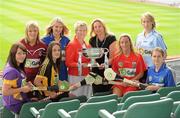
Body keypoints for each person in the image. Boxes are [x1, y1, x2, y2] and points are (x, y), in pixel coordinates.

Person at [2, 43, 32, 117]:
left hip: (19, 100)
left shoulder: (17, 65)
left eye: (24, 53)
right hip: (15, 104)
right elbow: (5, 92)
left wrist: (26, 84)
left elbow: (17, 83)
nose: (22, 56)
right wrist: (22, 89)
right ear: (13, 54)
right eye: (19, 53)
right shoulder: (11, 71)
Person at [89, 18, 117, 94]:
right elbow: (93, 58)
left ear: (103, 27)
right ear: (93, 29)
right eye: (95, 27)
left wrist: (105, 64)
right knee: (97, 93)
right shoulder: (92, 40)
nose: (98, 29)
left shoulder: (111, 38)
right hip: (96, 70)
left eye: (99, 26)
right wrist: (96, 64)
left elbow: (112, 57)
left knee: (108, 92)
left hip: (108, 68)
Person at [66, 21, 92, 98]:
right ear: (76, 31)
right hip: (75, 76)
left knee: (86, 98)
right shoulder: (71, 45)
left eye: (84, 30)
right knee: (75, 98)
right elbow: (68, 62)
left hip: (86, 76)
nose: (82, 32)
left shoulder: (87, 45)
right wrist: (80, 65)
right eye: (80, 30)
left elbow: (90, 60)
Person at [42, 17, 70, 81]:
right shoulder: (44, 40)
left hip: (62, 71)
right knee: (50, 89)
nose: (58, 29)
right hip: (49, 71)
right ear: (52, 27)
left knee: (63, 89)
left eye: (60, 27)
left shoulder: (66, 40)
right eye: (56, 27)